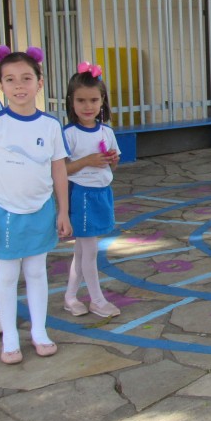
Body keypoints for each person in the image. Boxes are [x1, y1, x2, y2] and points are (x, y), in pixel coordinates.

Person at [0, 46, 71, 365]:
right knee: (6, 275)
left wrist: (63, 211)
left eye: (27, 78)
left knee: (37, 272)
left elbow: (59, 170)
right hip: (5, 214)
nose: (19, 85)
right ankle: (11, 339)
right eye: (10, 79)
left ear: (39, 82)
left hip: (41, 211)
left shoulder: (51, 125)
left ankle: (40, 332)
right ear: (0, 85)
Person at [62, 62, 122, 319]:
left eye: (94, 100)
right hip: (81, 194)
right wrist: (88, 161)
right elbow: (62, 169)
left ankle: (70, 297)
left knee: (82, 250)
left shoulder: (107, 131)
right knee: (90, 250)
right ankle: (96, 300)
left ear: (102, 101)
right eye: (81, 100)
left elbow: (114, 162)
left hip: (101, 193)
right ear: (71, 102)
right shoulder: (69, 133)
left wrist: (110, 159)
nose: (88, 106)